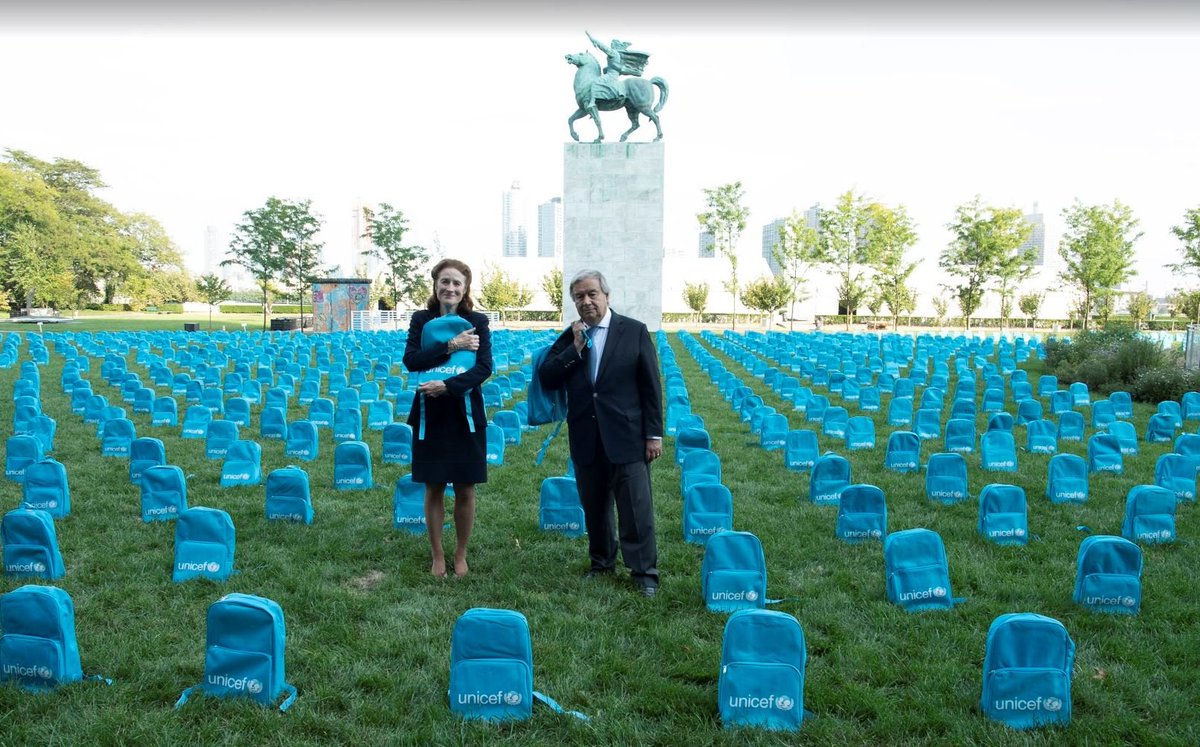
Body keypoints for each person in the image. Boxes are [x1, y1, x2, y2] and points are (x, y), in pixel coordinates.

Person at [537, 269, 663, 597]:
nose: (586, 301)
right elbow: (547, 376)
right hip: (586, 436)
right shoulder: (571, 336)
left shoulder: (633, 331)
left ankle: (644, 573)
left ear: (606, 295)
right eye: (579, 296)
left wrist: (653, 434)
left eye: (592, 293)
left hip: (628, 436)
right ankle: (602, 563)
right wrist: (574, 348)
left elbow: (651, 387)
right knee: (594, 506)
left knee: (636, 508)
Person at [403, 259, 493, 578]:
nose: (450, 288)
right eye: (445, 281)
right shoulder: (421, 319)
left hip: (465, 412)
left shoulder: (478, 321)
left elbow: (484, 368)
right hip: (431, 411)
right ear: (435, 285)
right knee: (434, 486)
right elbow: (412, 361)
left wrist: (449, 386)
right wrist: (452, 345)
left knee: (466, 488)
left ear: (466, 288)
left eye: (457, 283)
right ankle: (438, 554)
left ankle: (461, 553)